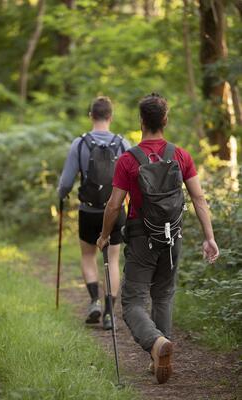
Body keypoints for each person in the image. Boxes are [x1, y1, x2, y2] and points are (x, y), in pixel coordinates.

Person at [97, 92, 219, 383]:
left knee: (131, 302)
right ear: (165, 120)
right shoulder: (181, 155)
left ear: (141, 121)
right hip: (172, 236)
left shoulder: (128, 160)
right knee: (163, 295)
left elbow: (114, 204)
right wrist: (209, 237)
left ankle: (156, 344)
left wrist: (104, 236)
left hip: (141, 237)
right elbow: (199, 198)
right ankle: (160, 354)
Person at [58, 96, 130, 330]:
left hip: (88, 211)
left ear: (91, 116)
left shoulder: (79, 143)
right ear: (110, 117)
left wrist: (61, 195)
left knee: (88, 256)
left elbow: (66, 182)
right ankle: (110, 314)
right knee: (112, 258)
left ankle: (94, 301)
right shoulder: (122, 144)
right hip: (116, 210)